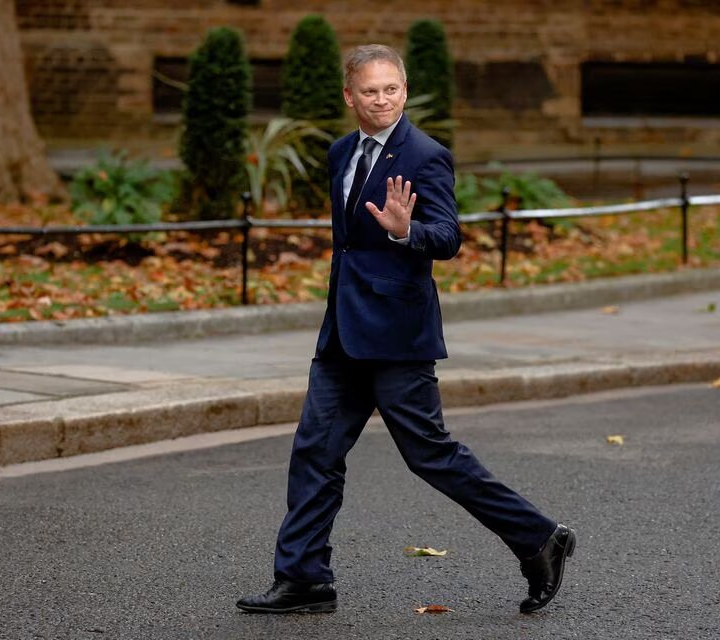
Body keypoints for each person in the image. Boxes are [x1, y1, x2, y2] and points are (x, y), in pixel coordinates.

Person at [237, 44, 575, 615]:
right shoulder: (341, 152)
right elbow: (346, 243)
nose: (383, 99)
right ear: (350, 97)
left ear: (404, 89)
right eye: (370, 91)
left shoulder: (425, 155)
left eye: (392, 89)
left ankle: (540, 539)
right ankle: (303, 579)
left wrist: (405, 230)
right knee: (314, 452)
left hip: (398, 335)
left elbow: (447, 237)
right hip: (342, 335)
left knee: (431, 455)